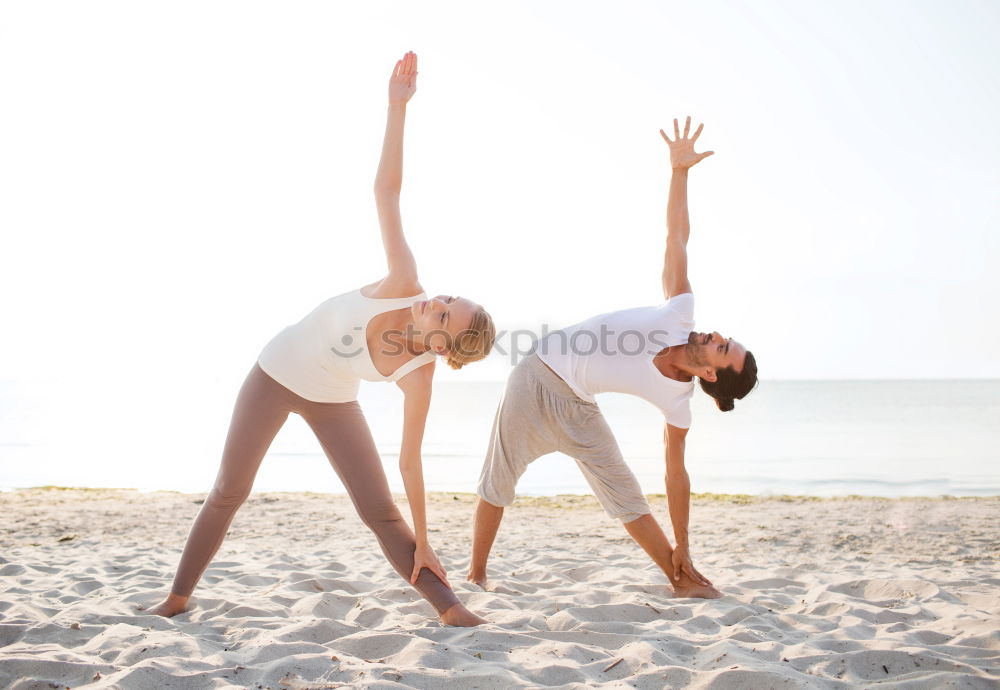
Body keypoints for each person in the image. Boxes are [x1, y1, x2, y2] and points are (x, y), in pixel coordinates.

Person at [149, 52, 495, 626]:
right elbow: (386, 192)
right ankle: (178, 597)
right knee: (230, 491)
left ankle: (452, 612)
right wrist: (396, 109)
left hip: (333, 400)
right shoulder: (404, 282)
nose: (437, 303)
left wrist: (427, 540)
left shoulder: (419, 375)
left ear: (440, 347)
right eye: (449, 300)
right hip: (276, 372)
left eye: (445, 316)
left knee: (382, 512)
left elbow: (411, 464)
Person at [467, 117, 757, 598]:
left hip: (579, 406)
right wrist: (679, 171)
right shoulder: (679, 311)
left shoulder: (678, 402)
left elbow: (675, 473)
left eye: (723, 348)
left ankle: (681, 577)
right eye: (725, 338)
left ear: (710, 372)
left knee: (628, 495)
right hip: (536, 375)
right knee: (497, 480)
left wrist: (684, 541)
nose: (717, 335)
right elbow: (676, 238)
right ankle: (476, 576)